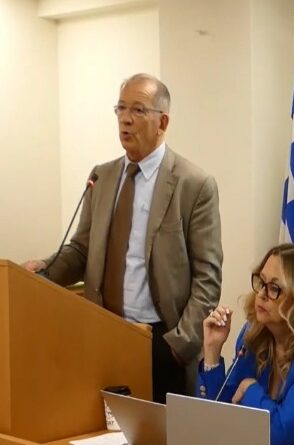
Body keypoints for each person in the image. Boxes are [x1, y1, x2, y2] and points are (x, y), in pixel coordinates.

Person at [21, 73, 223, 403]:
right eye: (121, 108)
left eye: (138, 110)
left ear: (163, 122)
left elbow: (207, 278)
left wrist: (179, 346)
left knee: (156, 429)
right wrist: (42, 271)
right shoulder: (102, 176)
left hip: (161, 341)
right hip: (102, 334)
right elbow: (82, 250)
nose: (126, 119)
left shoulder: (193, 184)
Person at [199, 243, 294, 445]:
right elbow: (218, 418)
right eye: (261, 282)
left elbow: (281, 434)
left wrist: (250, 390)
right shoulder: (255, 334)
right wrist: (212, 352)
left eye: (274, 288)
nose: (262, 294)